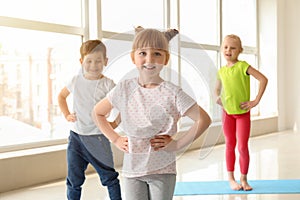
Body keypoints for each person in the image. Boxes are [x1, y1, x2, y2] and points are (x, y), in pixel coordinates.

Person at [93, 26, 211, 200]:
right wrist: (115, 138)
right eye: (143, 53)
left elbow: (204, 120)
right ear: (133, 57)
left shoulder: (173, 92)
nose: (150, 59)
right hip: (133, 170)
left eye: (157, 53)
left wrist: (178, 145)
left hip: (163, 170)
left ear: (166, 59)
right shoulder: (124, 88)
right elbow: (97, 113)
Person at [58, 39, 122, 200]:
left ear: (105, 61)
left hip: (98, 139)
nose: (94, 65)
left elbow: (124, 105)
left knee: (109, 178)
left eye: (98, 61)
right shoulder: (75, 81)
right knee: (73, 180)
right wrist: (67, 114)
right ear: (81, 61)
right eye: (89, 61)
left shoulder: (108, 84)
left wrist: (114, 123)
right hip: (76, 138)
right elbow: (61, 97)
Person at [214, 34, 268, 191]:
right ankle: (231, 178)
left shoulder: (243, 66)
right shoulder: (221, 71)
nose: (228, 50)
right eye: (225, 47)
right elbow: (216, 89)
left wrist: (255, 101)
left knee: (242, 146)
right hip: (227, 114)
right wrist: (218, 98)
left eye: (232, 47)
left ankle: (243, 179)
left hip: (242, 113)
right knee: (230, 145)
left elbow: (263, 79)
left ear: (240, 50)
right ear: (221, 49)